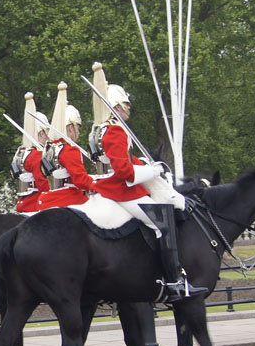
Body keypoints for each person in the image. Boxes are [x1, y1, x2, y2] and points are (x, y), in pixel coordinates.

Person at [92, 80, 207, 304]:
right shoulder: (115, 130)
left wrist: (145, 165)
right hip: (120, 188)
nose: (129, 108)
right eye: (126, 104)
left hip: (113, 185)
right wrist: (153, 170)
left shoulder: (105, 129)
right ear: (116, 106)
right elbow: (124, 172)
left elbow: (125, 161)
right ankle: (175, 281)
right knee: (162, 221)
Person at [37, 82, 94, 209]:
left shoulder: (48, 149)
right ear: (70, 128)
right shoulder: (69, 150)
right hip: (69, 199)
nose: (78, 132)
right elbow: (80, 181)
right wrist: (98, 185)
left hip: (48, 199)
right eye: (77, 128)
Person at [11, 92, 50, 214]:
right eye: (47, 133)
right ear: (42, 133)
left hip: (22, 204)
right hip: (35, 207)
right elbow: (44, 187)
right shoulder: (37, 155)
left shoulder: (20, 153)